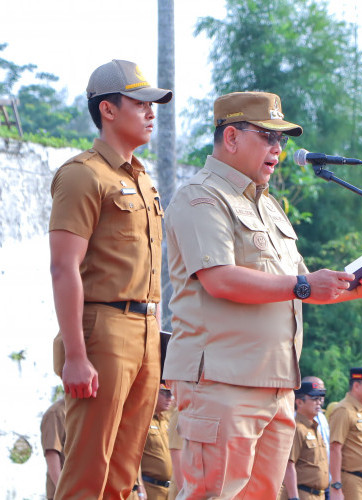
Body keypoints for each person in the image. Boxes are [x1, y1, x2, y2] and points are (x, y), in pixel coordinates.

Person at [163, 92, 362, 498]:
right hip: (221, 382)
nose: (278, 150)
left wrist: (351, 290)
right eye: (268, 137)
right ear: (231, 137)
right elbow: (220, 279)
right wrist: (304, 285)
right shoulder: (201, 196)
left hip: (276, 385)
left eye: (282, 141)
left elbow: (300, 287)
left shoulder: (269, 207)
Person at [49, 59, 172, 499]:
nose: (151, 112)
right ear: (108, 110)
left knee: (122, 477)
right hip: (102, 330)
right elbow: (64, 267)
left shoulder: (143, 181)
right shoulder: (83, 175)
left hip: (146, 332)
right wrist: (76, 356)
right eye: (140, 103)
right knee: (87, 473)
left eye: (151, 104)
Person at [329, 367, 362, 499]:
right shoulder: (344, 410)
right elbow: (335, 448)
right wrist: (336, 485)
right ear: (356, 386)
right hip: (353, 481)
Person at [282, 381, 329, 500]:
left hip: (319, 494)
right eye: (314, 398)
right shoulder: (297, 429)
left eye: (320, 398)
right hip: (303, 493)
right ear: (299, 402)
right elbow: (288, 464)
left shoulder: (314, 428)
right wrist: (294, 497)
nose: (318, 402)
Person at [138, 384, 175, 500]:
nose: (169, 397)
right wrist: (139, 486)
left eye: (171, 393)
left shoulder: (166, 420)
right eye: (165, 393)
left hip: (168, 491)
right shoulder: (142, 420)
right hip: (149, 489)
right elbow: (134, 457)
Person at [41, 397, 66, 500]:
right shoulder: (56, 413)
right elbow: (51, 454)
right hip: (63, 494)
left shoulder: (87, 411)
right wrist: (64, 492)